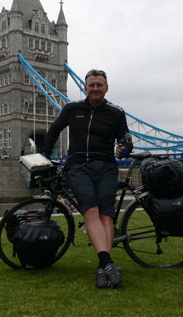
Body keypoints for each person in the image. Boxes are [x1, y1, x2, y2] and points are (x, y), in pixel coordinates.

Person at [42, 69, 132, 289]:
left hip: (106, 166)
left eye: (99, 85)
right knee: (91, 212)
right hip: (78, 166)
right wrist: (44, 155)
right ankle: (107, 263)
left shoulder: (116, 112)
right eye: (91, 84)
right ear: (85, 87)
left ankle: (104, 268)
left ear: (106, 88)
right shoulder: (72, 109)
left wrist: (124, 149)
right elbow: (54, 130)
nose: (95, 88)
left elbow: (126, 140)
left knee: (106, 215)